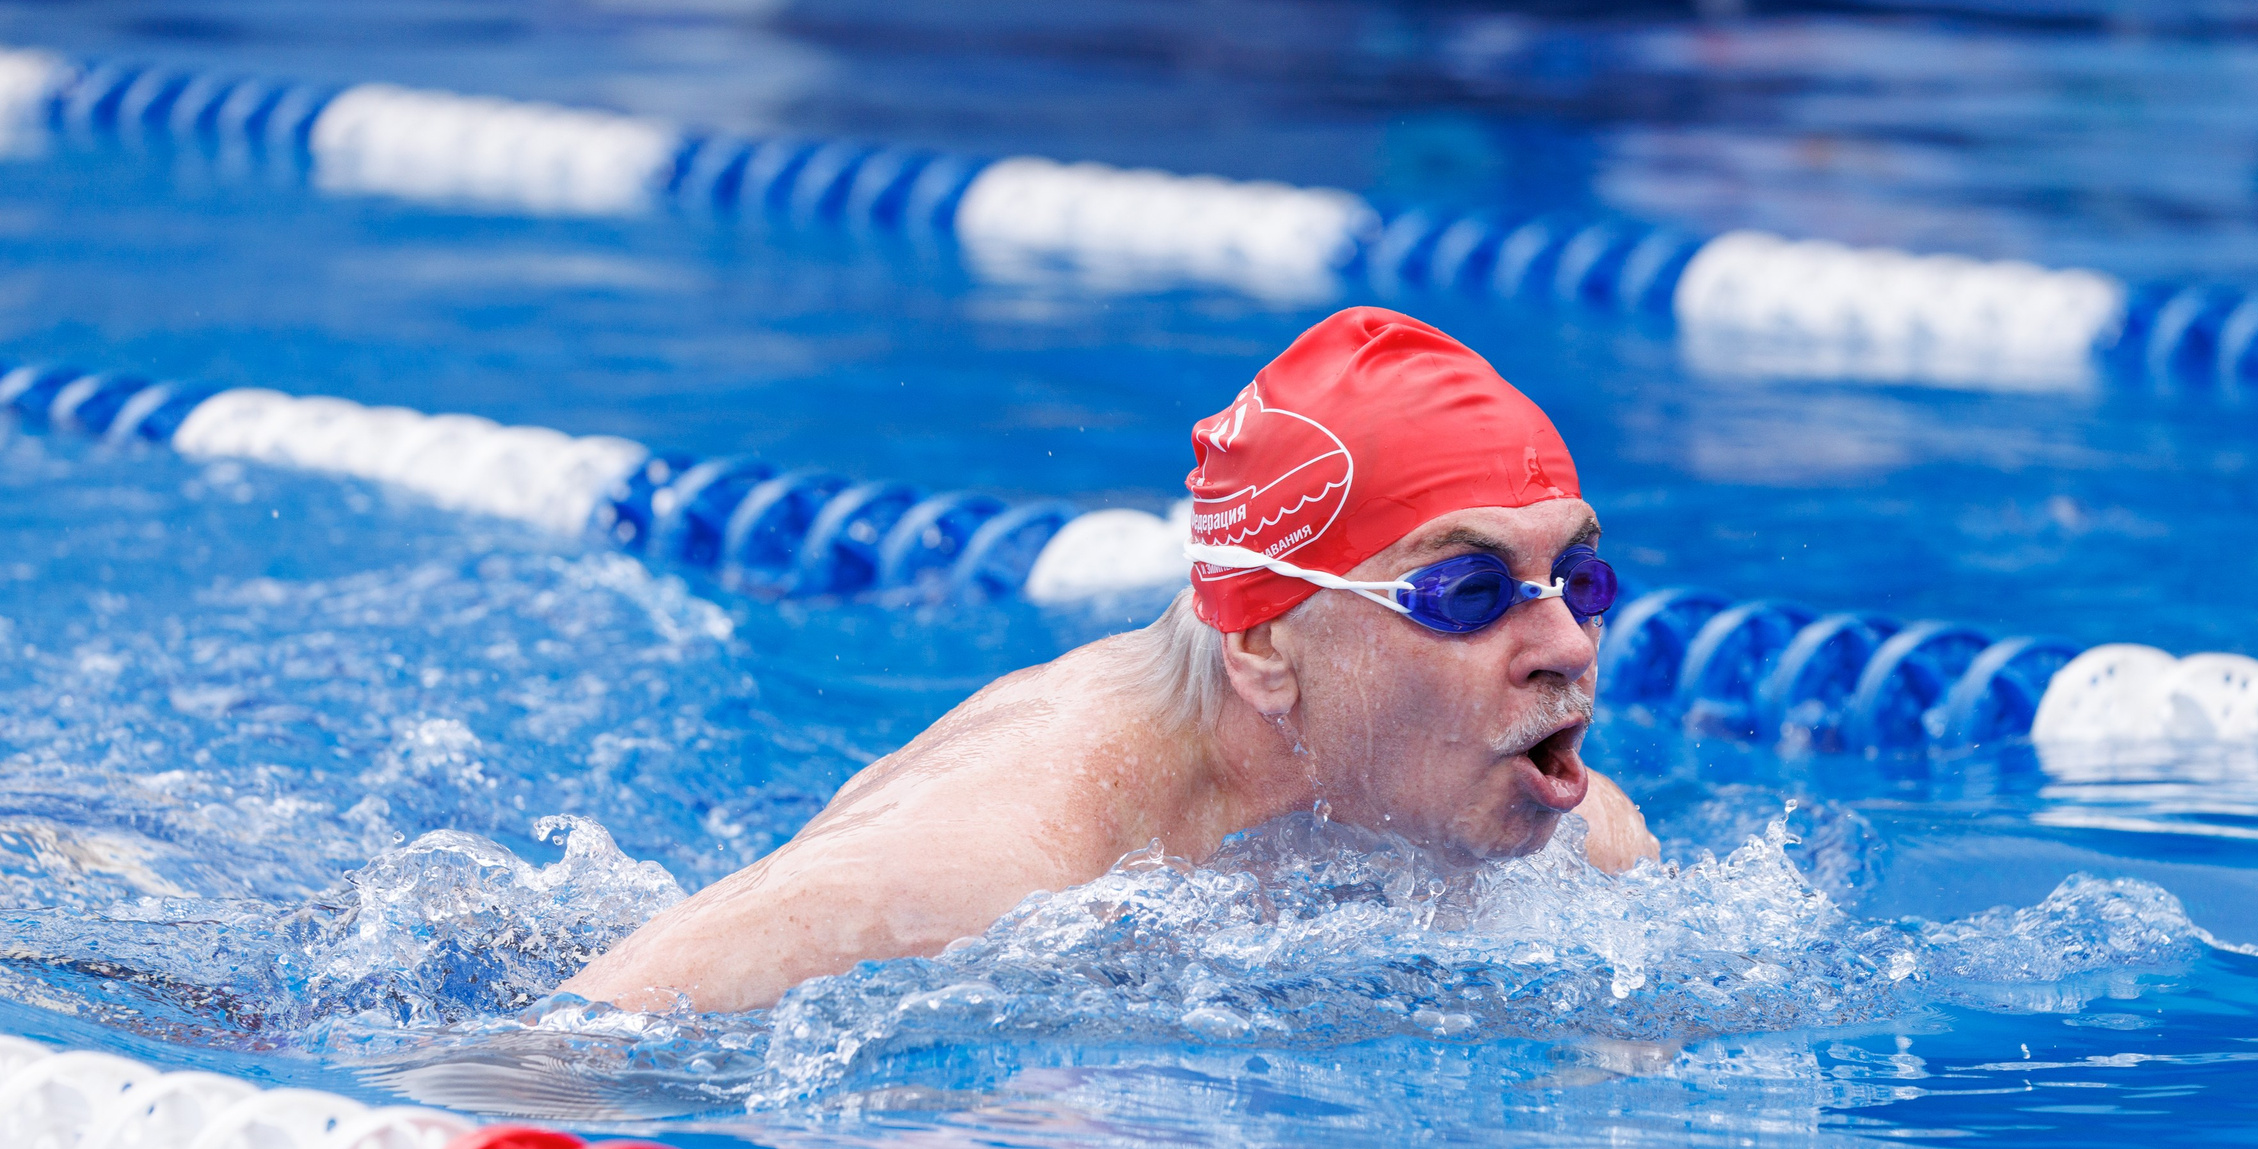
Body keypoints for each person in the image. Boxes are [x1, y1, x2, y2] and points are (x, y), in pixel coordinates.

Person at [570, 307, 1658, 1013]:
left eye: (1579, 578)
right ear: (1264, 644)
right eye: (1465, 593)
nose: (1564, 643)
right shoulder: (978, 866)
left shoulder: (1579, 837)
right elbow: (537, 1062)